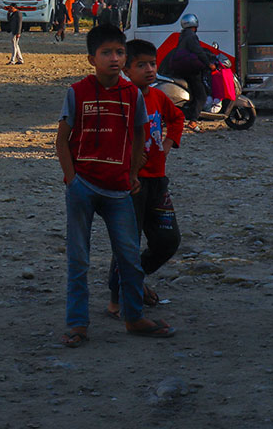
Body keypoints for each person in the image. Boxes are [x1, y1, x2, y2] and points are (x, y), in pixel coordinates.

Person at [55, 24, 176, 348]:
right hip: (83, 189)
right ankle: (77, 325)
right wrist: (71, 180)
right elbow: (61, 141)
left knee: (129, 258)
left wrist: (133, 173)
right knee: (78, 259)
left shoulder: (132, 95)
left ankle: (133, 317)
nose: (114, 58)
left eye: (119, 52)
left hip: (121, 190)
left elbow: (140, 135)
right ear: (91, 58)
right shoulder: (76, 92)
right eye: (106, 52)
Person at [107, 38, 184, 317]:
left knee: (168, 241)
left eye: (152, 63)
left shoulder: (159, 96)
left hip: (157, 180)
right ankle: (117, 298)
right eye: (142, 65)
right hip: (130, 183)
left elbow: (177, 119)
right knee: (127, 241)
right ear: (126, 69)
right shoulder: (119, 98)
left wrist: (167, 145)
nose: (150, 69)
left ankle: (134, 279)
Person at [160, 13, 217, 130]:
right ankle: (193, 121)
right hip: (191, 70)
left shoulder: (183, 35)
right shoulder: (192, 36)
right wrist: (209, 64)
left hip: (181, 69)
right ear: (195, 25)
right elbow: (198, 52)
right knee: (201, 95)